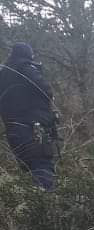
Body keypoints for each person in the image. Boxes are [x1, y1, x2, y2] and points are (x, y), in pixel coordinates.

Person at [0, 43, 59, 191]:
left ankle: (31, 206)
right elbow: (46, 91)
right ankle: (46, 206)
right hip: (32, 128)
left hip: (13, 130)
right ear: (29, 55)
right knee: (42, 165)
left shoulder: (3, 75)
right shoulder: (27, 69)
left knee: (28, 167)